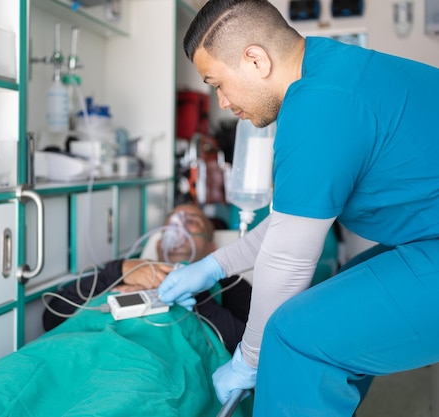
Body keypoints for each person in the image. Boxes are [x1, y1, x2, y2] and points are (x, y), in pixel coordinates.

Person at [157, 0, 439, 415]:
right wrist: (213, 266)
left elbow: (288, 258)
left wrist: (249, 359)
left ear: (255, 60)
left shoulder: (319, 106)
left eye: (217, 83)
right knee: (343, 287)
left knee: (292, 336)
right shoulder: (328, 69)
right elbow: (289, 224)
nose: (221, 102)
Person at [43, 203, 252, 353]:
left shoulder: (230, 285)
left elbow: (247, 348)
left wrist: (196, 294)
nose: (180, 228)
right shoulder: (127, 274)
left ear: (212, 247)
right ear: (159, 245)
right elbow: (53, 317)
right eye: (172, 223)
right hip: (84, 352)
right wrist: (119, 270)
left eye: (192, 222)